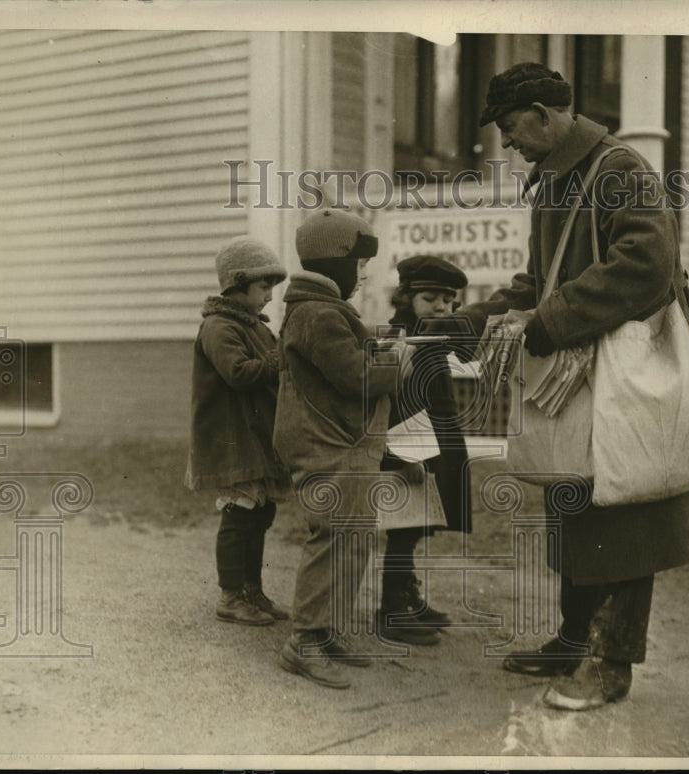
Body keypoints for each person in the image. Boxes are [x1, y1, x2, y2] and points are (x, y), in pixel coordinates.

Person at [468, 62, 689, 711]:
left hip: (634, 368)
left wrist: (551, 321)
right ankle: (572, 640)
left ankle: (611, 664)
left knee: (628, 510)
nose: (509, 145)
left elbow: (646, 265)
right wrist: (473, 318)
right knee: (576, 499)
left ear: (542, 112)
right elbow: (541, 282)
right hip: (584, 364)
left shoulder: (620, 169)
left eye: (511, 130)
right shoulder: (555, 181)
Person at [273, 208, 415, 690]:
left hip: (340, 443)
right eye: (357, 264)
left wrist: (380, 343)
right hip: (328, 445)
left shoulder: (321, 311)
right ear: (334, 263)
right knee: (334, 538)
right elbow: (354, 376)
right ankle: (305, 642)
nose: (363, 274)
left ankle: (327, 629)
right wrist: (401, 366)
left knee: (353, 538)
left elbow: (348, 354)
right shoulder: (318, 314)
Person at [185, 236, 291, 627]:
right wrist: (282, 357)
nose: (269, 297)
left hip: (255, 439)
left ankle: (252, 590)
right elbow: (239, 373)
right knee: (239, 516)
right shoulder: (218, 326)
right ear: (237, 282)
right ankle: (230, 596)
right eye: (264, 288)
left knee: (260, 514)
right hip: (232, 440)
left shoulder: (254, 327)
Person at [377, 254, 478, 646]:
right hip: (410, 446)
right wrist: (406, 455)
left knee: (416, 528)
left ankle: (408, 599)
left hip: (433, 441)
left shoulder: (433, 335)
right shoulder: (405, 338)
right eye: (431, 298)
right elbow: (398, 401)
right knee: (403, 530)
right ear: (406, 298)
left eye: (449, 300)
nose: (442, 307)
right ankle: (391, 612)